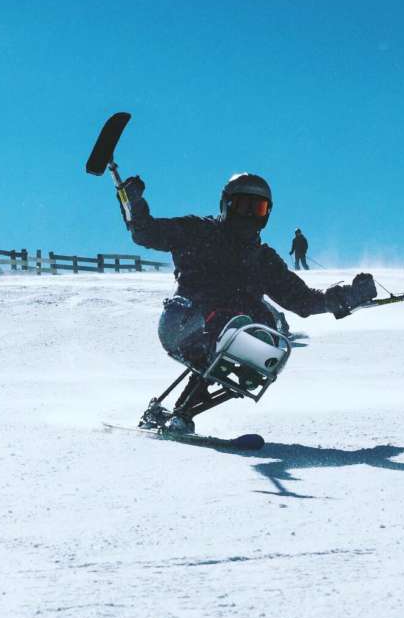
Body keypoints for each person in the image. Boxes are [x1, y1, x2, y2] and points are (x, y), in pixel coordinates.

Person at [119, 171, 376, 432]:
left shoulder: (262, 259)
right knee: (233, 323)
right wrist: (133, 202)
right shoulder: (199, 231)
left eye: (259, 208)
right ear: (227, 205)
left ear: (267, 214)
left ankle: (182, 412)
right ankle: (235, 340)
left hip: (230, 337)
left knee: (263, 320)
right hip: (184, 323)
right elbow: (146, 233)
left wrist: (346, 297)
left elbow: (303, 300)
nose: (250, 215)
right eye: (244, 206)